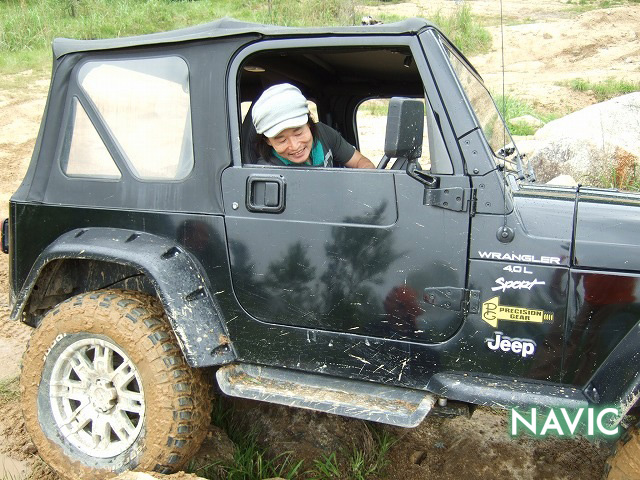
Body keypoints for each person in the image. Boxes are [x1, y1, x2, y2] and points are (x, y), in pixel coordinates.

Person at [251, 83, 375, 169]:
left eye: (298, 133)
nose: (295, 146)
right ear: (268, 141)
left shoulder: (324, 133)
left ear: (309, 123)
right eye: (282, 140)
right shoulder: (267, 171)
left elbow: (360, 161)